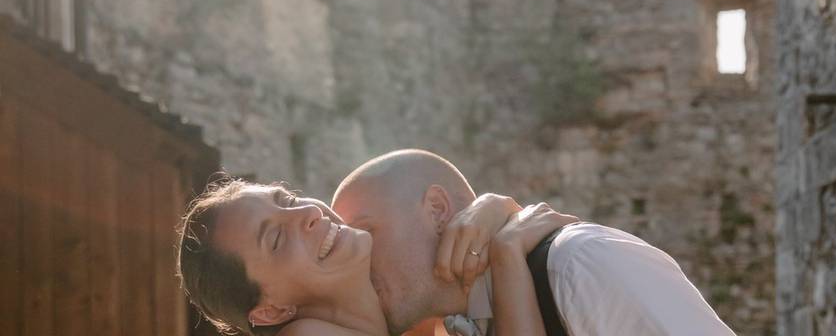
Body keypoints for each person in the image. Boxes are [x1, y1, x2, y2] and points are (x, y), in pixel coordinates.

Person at [332, 149, 738, 335]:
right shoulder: (455, 327)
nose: (357, 257)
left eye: (367, 232)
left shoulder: (580, 265)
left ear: (437, 210)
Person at [176, 177, 574, 336]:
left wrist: (491, 208)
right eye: (276, 238)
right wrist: (507, 256)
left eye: (289, 199)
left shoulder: (400, 313)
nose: (308, 214)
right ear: (271, 311)